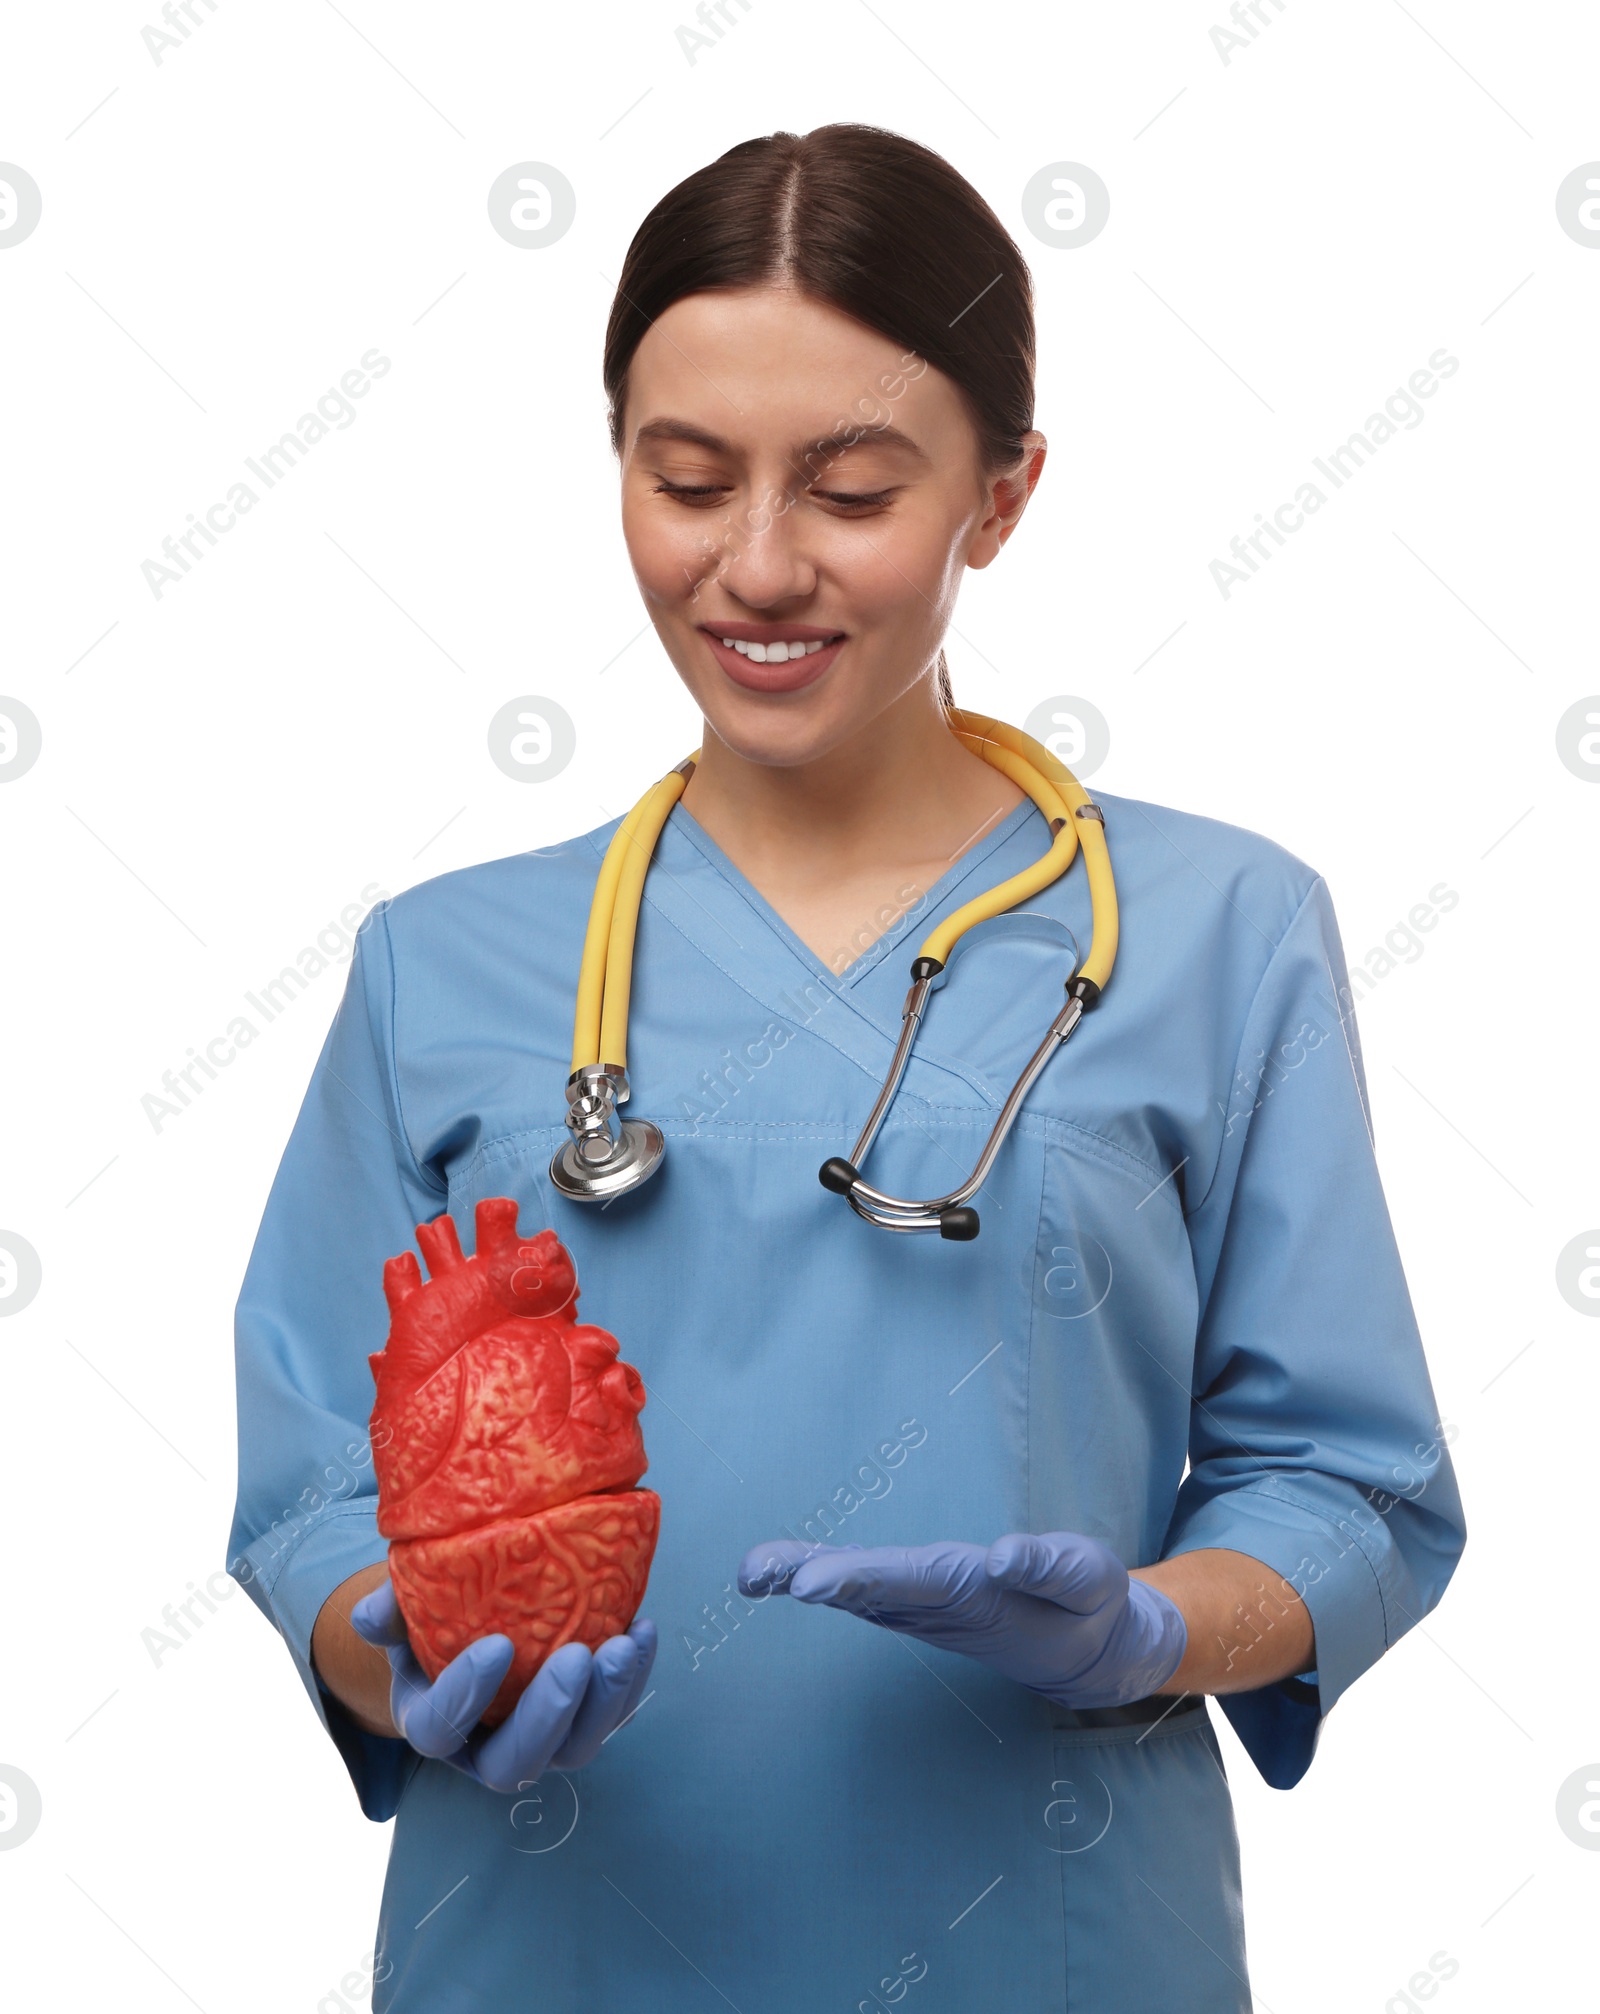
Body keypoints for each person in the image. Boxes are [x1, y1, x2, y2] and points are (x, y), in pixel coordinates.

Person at [227, 125, 1465, 2011]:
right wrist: (412, 1662)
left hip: (1048, 1950)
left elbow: (1351, 1486)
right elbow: (313, 1480)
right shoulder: (444, 963)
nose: (759, 567)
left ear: (1006, 491)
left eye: (856, 489)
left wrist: (1140, 1631)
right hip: (552, 1944)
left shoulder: (1223, 932)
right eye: (688, 479)